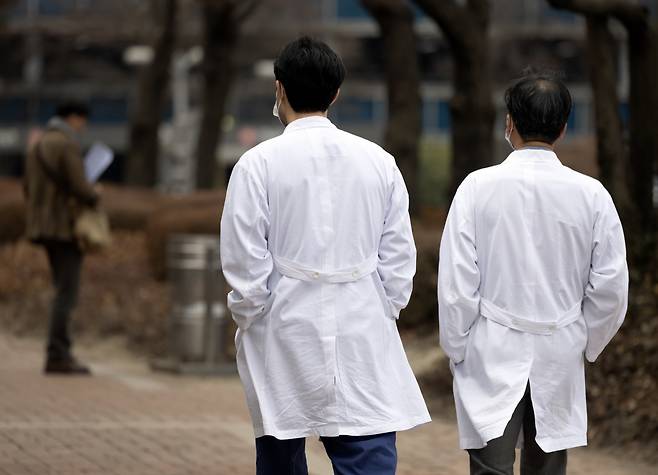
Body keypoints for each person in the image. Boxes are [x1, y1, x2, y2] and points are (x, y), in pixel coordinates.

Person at [220, 37, 430, 474]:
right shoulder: (378, 162)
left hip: (282, 322)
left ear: (279, 90)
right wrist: (383, 306)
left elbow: (243, 261)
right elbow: (398, 256)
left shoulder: (257, 164)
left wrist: (251, 313)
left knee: (281, 449)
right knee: (366, 446)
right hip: (361, 321)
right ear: (336, 94)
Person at [437, 72, 628, 475]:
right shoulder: (592, 195)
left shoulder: (477, 187)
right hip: (560, 345)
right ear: (562, 128)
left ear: (509, 123)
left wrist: (457, 347)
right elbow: (611, 288)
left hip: (491, 346)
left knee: (490, 466)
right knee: (547, 468)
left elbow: (457, 285)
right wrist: (583, 338)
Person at [24, 101, 99, 375]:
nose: (83, 127)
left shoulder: (39, 143)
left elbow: (26, 187)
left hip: (42, 226)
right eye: (82, 121)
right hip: (64, 228)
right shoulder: (66, 144)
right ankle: (58, 353)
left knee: (60, 287)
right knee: (66, 292)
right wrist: (95, 193)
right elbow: (81, 187)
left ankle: (57, 351)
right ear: (74, 118)